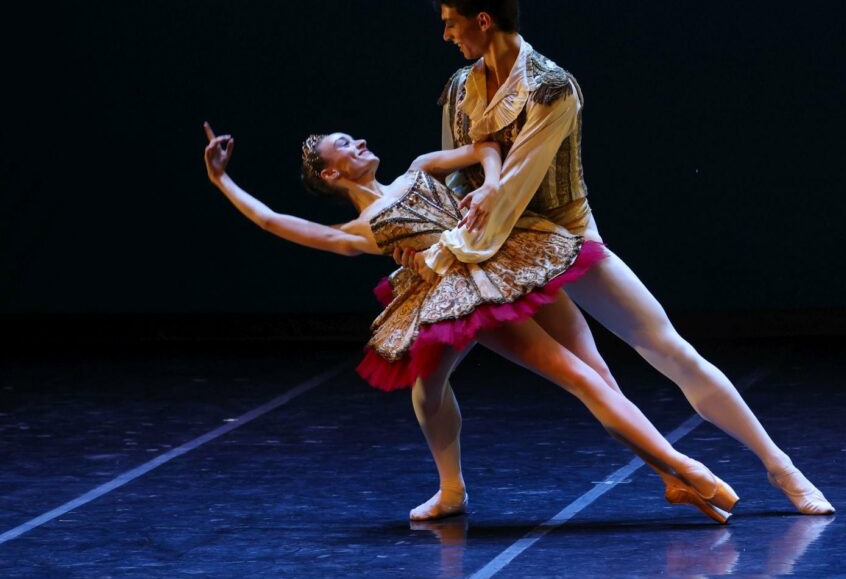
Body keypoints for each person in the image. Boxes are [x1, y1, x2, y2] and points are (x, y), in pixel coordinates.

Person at [397, 0, 834, 516]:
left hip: (560, 239)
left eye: (452, 23)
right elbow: (457, 171)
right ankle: (456, 488)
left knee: (668, 350)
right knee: (439, 377)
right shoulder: (462, 88)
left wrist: (465, 230)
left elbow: (516, 185)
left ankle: (780, 468)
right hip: (492, 251)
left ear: (483, 20)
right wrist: (429, 233)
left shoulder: (552, 87)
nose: (447, 36)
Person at [201, 122, 738, 524]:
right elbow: (275, 221)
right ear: (331, 174)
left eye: (353, 136)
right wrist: (222, 180)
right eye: (343, 145)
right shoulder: (361, 228)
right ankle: (452, 489)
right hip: (449, 297)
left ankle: (677, 469)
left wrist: (489, 184)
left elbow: (485, 148)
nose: (357, 142)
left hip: (495, 272)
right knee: (426, 390)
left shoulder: (417, 169)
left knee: (584, 374)